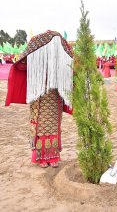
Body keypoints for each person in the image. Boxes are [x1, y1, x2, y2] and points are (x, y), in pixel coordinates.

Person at [5, 30, 73, 168]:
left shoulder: (59, 64)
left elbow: (72, 69)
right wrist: (33, 54)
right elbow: (20, 65)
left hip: (55, 99)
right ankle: (41, 157)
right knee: (41, 127)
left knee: (53, 126)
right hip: (39, 98)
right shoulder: (36, 62)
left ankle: (52, 156)